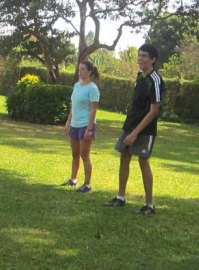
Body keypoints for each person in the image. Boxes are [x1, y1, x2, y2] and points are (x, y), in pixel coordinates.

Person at [104, 44, 164, 215]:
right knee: (124, 157)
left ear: (153, 59)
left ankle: (149, 205)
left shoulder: (156, 80)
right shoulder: (139, 76)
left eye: (144, 56)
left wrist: (136, 132)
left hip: (145, 129)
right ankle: (120, 197)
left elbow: (154, 111)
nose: (140, 59)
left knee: (143, 161)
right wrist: (129, 129)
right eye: (139, 55)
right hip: (129, 124)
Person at [62, 60, 100, 193]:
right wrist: (68, 123)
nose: (80, 72)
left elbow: (93, 110)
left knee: (85, 155)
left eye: (83, 69)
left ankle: (87, 185)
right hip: (74, 124)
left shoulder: (93, 88)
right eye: (79, 69)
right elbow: (73, 106)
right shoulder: (77, 85)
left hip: (85, 125)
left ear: (89, 72)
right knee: (75, 154)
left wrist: (89, 129)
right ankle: (73, 179)